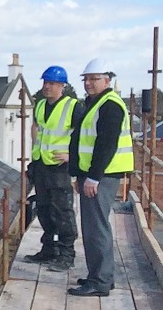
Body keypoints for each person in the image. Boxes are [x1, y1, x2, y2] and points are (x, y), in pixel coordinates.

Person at [67, 58, 134, 297]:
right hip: (94, 174)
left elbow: (106, 144)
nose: (88, 83)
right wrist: (79, 174)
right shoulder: (97, 103)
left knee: (96, 228)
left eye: (94, 79)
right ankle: (100, 275)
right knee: (94, 227)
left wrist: (93, 178)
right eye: (86, 79)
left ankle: (100, 281)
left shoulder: (109, 105)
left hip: (102, 176)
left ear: (108, 80)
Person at [25, 65, 83, 271]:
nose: (46, 86)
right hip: (42, 164)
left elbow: (83, 134)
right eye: (45, 82)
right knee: (44, 208)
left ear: (62, 86)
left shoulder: (72, 106)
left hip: (60, 167)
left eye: (51, 83)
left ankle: (67, 255)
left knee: (63, 211)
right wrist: (35, 150)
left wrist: (71, 156)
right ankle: (49, 249)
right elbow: (36, 127)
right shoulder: (40, 105)